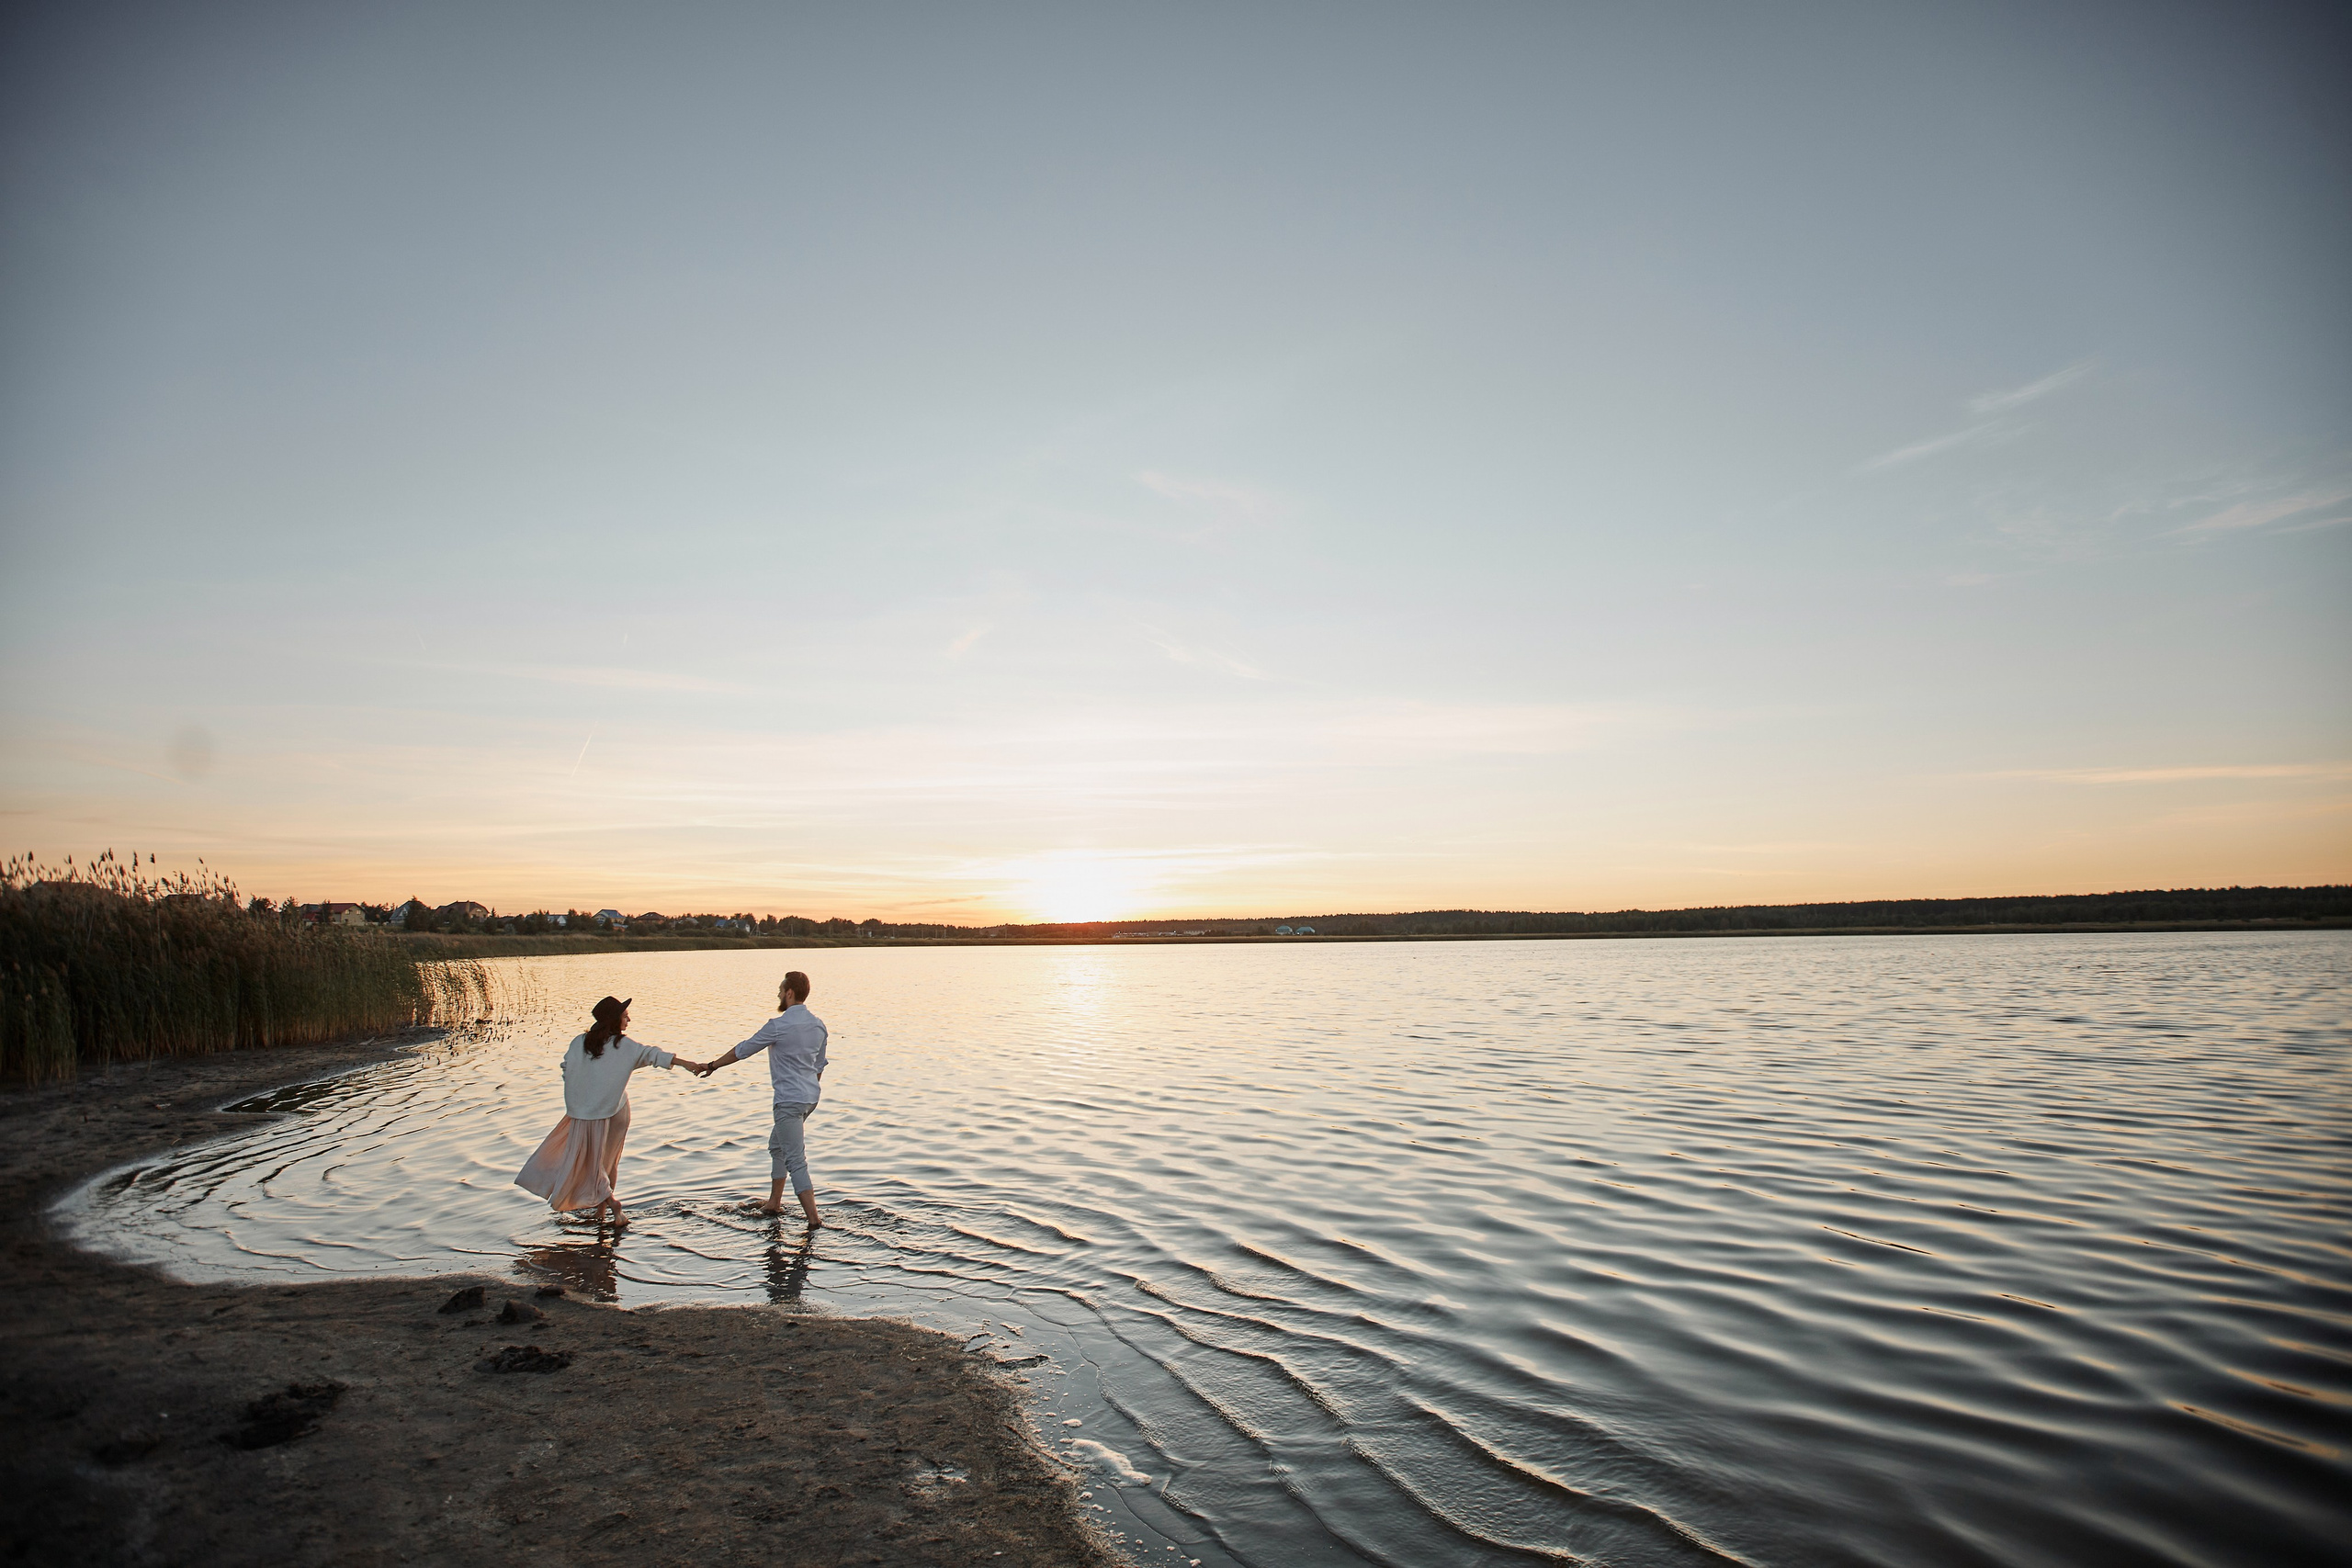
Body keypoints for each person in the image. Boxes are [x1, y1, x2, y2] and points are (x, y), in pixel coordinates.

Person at [514, 995, 709, 1229]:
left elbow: (567, 1068)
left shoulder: (580, 1042)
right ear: (614, 1020)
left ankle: (609, 1207)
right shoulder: (623, 1045)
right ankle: (604, 1208)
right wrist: (688, 1065)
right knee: (606, 1161)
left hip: (590, 1110)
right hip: (612, 1110)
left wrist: (582, 1092)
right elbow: (653, 1055)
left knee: (593, 1161)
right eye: (625, 1016)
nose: (629, 1020)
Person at [695, 971, 828, 1227]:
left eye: (781, 990)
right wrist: (809, 1090)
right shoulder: (818, 1024)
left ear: (790, 993)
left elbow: (743, 1049)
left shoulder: (778, 1025)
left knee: (795, 1159)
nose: (778, 994)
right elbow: (820, 1064)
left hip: (789, 1101)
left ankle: (814, 1220)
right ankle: (774, 1202)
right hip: (810, 1098)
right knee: (777, 1146)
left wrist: (712, 1065)